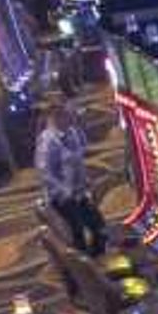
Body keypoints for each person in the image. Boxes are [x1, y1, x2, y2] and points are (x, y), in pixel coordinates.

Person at [38, 105, 106, 254]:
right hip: (60, 196)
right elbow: (46, 174)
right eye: (69, 116)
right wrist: (64, 191)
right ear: (57, 118)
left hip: (78, 192)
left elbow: (78, 161)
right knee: (78, 231)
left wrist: (85, 180)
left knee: (99, 226)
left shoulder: (72, 133)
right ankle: (84, 266)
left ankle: (97, 258)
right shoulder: (47, 141)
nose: (73, 119)